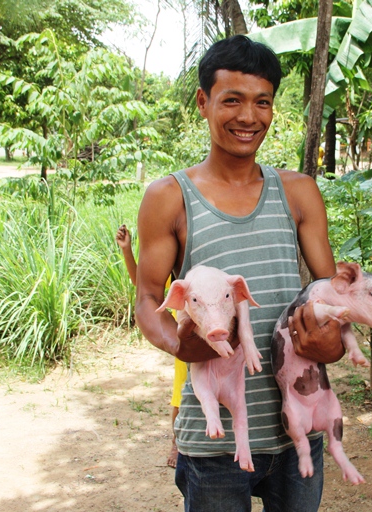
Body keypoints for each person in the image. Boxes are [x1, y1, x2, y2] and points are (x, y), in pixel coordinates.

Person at [134, 35, 345, 511]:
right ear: (203, 101)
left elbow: (328, 295)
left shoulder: (299, 192)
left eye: (262, 102)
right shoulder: (169, 197)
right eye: (232, 100)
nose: (248, 117)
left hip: (297, 425)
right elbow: (148, 299)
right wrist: (176, 341)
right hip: (214, 441)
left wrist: (331, 339)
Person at [115, 223, 186, 468]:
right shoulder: (176, 264)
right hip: (185, 335)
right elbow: (141, 282)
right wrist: (127, 250)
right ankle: (177, 443)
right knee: (182, 388)